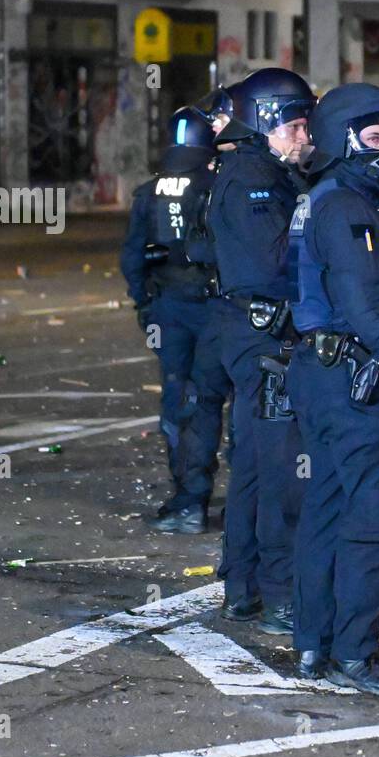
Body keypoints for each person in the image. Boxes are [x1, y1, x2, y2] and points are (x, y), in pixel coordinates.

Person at [284, 83, 379, 696]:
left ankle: (313, 643)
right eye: (373, 139)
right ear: (344, 140)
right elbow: (361, 300)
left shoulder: (328, 198)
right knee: (372, 517)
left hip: (322, 373)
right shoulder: (344, 205)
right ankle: (354, 654)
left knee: (325, 507)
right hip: (351, 375)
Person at [185, 68, 316, 636]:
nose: (304, 136)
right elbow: (273, 266)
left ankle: (243, 586)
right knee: (282, 470)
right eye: (295, 125)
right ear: (264, 123)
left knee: (255, 468)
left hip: (246, 332)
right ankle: (279, 594)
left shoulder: (251, 171)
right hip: (263, 337)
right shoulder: (254, 179)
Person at [120, 106, 228, 533]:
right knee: (216, 402)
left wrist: (143, 303)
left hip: (168, 308)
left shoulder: (150, 191)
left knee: (178, 401)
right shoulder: (218, 185)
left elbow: (132, 255)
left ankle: (188, 500)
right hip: (214, 308)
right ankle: (234, 504)